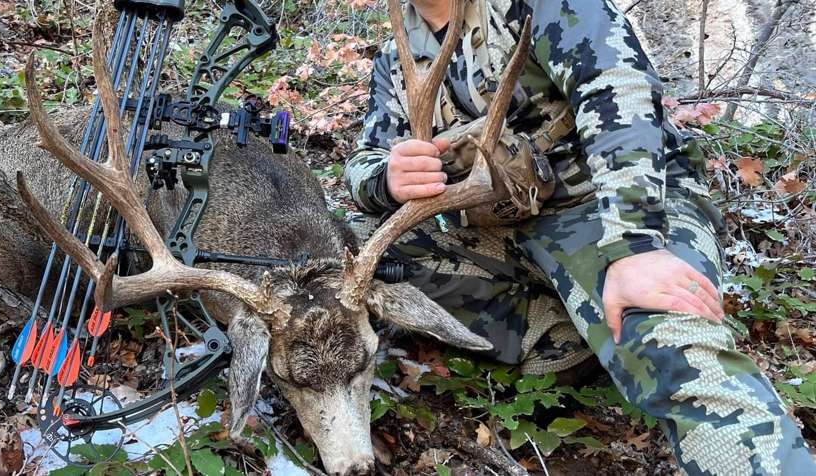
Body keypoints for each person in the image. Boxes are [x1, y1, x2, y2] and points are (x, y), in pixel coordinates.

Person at [344, 0, 816, 473]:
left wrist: (635, 244)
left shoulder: (535, 6)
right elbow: (365, 159)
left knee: (668, 342)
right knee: (356, 249)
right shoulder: (396, 56)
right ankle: (561, 334)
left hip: (613, 209)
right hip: (503, 230)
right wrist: (387, 178)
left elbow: (617, 86)